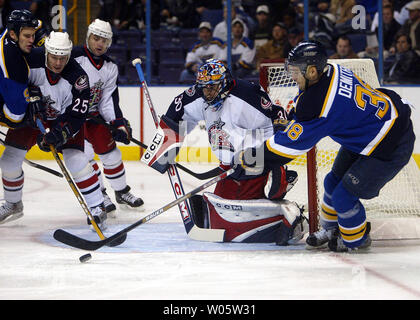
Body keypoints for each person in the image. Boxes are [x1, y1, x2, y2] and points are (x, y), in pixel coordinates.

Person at [236, 41, 416, 252]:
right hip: (373, 128)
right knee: (331, 182)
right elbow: (305, 108)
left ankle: (355, 241)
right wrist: (291, 122)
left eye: (295, 71)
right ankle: (331, 230)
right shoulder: (332, 70)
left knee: (343, 196)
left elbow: (291, 147)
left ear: (312, 71)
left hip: (390, 143)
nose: (292, 76)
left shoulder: (321, 104)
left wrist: (255, 159)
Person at [142, 58, 306, 245]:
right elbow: (177, 112)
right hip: (227, 167)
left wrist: (267, 161)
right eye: (203, 88)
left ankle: (289, 213)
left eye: (212, 88)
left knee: (231, 224)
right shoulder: (200, 95)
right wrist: (163, 147)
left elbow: (276, 119)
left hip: (253, 160)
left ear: (224, 83)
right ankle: (276, 207)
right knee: (219, 215)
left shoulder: (246, 94)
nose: (207, 93)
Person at [0, 31, 109, 229]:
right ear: (46, 52)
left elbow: (77, 115)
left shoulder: (79, 79)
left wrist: (60, 133)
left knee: (75, 160)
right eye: (54, 57)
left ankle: (97, 207)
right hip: (33, 118)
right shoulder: (29, 59)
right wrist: (26, 99)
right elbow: (10, 80)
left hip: (63, 119)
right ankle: (13, 204)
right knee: (9, 160)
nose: (58, 63)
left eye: (63, 58)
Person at [71, 18, 144, 215]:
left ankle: (121, 191)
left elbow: (108, 101)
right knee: (85, 157)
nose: (99, 44)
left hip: (94, 118)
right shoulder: (73, 57)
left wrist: (118, 125)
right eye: (96, 38)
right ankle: (100, 194)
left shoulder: (110, 67)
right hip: (71, 119)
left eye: (104, 40)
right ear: (88, 38)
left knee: (112, 155)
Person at [0, 9, 40, 129]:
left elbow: (39, 24)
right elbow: (15, 118)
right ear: (13, 35)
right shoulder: (13, 63)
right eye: (27, 36)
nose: (32, 40)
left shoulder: (11, 32)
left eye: (33, 35)